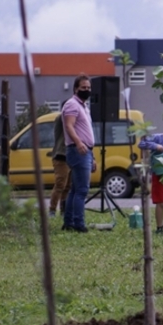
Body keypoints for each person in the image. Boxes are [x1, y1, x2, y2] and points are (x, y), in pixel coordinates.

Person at [62, 73, 96, 233]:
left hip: (85, 150)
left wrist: (92, 155)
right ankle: (78, 223)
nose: (87, 90)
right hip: (78, 150)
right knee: (82, 190)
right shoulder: (72, 105)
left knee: (75, 189)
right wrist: (79, 142)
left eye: (88, 88)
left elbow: (85, 131)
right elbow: (69, 126)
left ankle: (69, 221)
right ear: (76, 88)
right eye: (83, 88)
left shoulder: (83, 106)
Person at [48, 111, 70, 218]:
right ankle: (52, 209)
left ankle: (63, 210)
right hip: (61, 155)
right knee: (60, 184)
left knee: (68, 186)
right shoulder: (62, 118)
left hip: (71, 155)